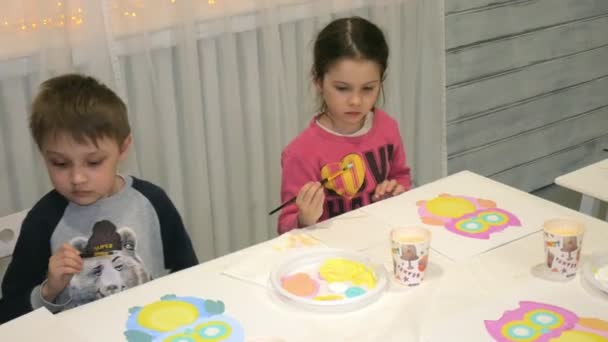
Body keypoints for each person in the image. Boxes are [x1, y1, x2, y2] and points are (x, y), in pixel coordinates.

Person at [0, 74, 198, 323]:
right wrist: (48, 290)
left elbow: (190, 273)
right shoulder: (43, 220)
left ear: (123, 148)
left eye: (93, 162)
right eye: (60, 163)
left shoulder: (152, 201)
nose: (77, 178)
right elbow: (8, 313)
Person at [278, 17, 411, 234]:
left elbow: (401, 177)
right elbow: (285, 228)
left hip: (380, 241)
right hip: (330, 257)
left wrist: (396, 190)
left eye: (368, 88)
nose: (356, 101)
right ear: (318, 81)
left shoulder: (387, 127)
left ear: (381, 82)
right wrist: (304, 220)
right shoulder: (300, 153)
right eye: (342, 88)